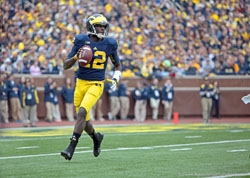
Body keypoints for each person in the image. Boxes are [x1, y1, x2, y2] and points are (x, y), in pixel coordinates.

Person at [61, 14, 122, 161]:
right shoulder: (81, 40)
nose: (102, 28)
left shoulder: (110, 43)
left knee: (82, 112)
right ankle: (96, 138)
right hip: (80, 83)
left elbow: (117, 64)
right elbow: (65, 65)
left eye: (103, 26)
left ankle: (71, 148)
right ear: (91, 27)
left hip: (97, 84)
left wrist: (116, 77)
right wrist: (77, 57)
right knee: (84, 120)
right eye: (99, 25)